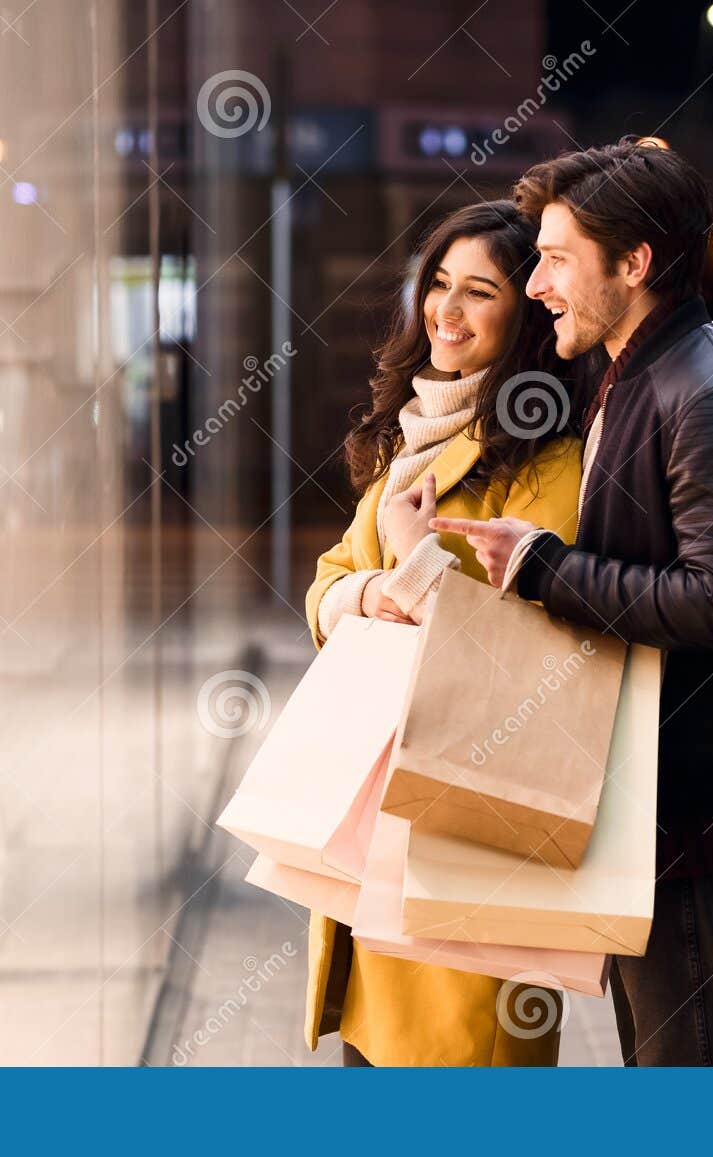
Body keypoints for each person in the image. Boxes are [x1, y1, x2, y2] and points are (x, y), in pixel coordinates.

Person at [433, 140, 713, 1066]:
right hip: (662, 787)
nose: (535, 285)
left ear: (636, 263)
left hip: (699, 794)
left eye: (557, 258)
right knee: (670, 1055)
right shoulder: (639, 369)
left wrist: (543, 568)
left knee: (686, 1060)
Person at [304, 200, 589, 1067]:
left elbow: (536, 636)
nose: (447, 311)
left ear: (524, 316)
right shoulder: (412, 438)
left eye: (478, 292)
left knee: (463, 1069)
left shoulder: (546, 458)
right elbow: (326, 581)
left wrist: (415, 565)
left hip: (469, 811)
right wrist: (375, 591)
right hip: (373, 803)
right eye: (438, 284)